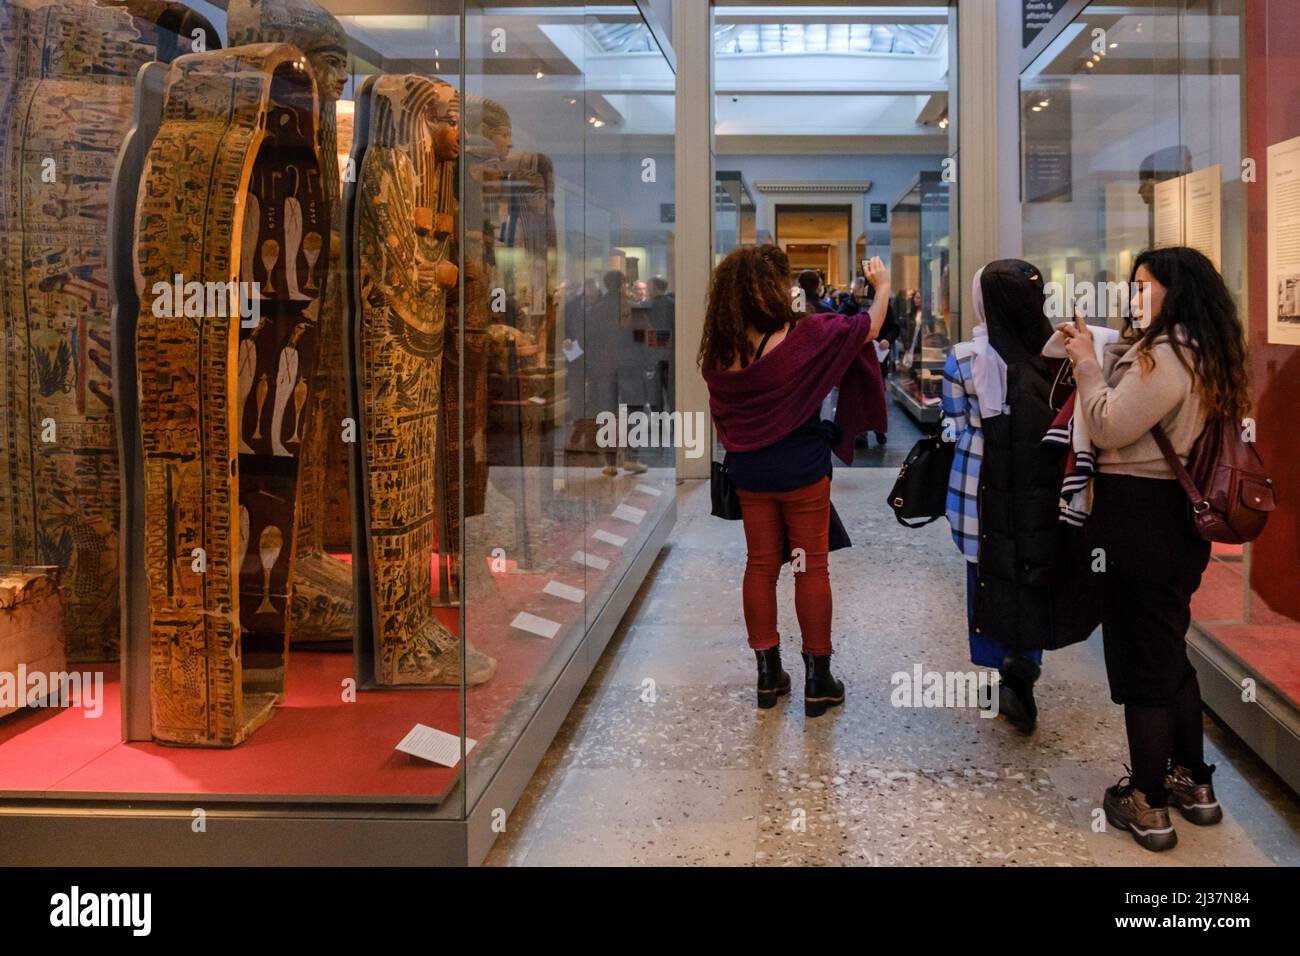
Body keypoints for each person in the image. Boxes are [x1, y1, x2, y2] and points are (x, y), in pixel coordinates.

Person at [1061, 246, 1248, 852]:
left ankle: (1147, 802)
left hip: (1139, 518)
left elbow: (1111, 424)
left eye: (1144, 286)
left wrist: (1089, 363)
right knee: (1169, 649)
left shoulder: (1169, 355)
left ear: (1176, 291)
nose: (1134, 294)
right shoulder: (1205, 348)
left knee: (1142, 661)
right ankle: (1193, 781)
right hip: (1175, 522)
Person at [701, 246, 890, 717]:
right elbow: (869, 328)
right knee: (812, 568)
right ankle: (818, 680)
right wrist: (882, 289)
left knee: (760, 566)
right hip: (802, 468)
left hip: (748, 470)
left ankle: (768, 676)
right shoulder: (807, 336)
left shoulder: (720, 351)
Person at [943, 259, 1082, 735]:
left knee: (985, 572)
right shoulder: (1059, 354)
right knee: (1032, 567)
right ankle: (1025, 666)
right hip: (1041, 483)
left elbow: (956, 426)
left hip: (979, 486)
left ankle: (1001, 667)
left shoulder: (964, 357)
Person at [841, 276, 898, 444]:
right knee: (858, 395)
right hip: (855, 359)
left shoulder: (882, 306)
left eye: (863, 297)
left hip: (878, 357)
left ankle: (879, 428)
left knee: (877, 394)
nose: (860, 300)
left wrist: (887, 339)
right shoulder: (847, 307)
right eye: (857, 297)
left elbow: (894, 327)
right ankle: (861, 433)